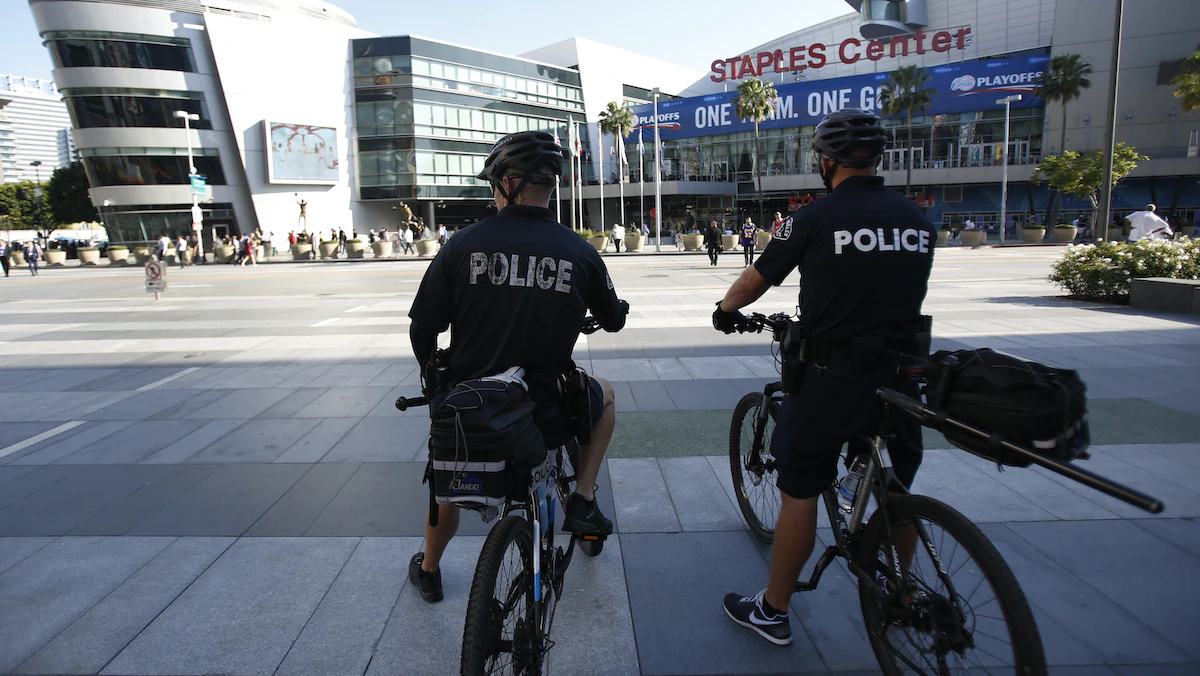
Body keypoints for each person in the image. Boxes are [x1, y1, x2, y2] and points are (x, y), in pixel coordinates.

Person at [712, 109, 933, 647]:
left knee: (800, 492)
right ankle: (902, 593)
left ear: (826, 162)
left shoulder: (814, 217)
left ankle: (773, 610)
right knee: (894, 490)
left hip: (830, 380)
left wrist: (725, 309)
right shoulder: (917, 218)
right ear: (878, 158)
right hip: (901, 378)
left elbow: (757, 278)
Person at [406, 130, 628, 602]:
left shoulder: (463, 244)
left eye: (494, 184)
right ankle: (583, 496)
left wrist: (434, 378)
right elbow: (613, 319)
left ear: (508, 183)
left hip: (471, 413)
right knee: (606, 395)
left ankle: (429, 569)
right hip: (546, 411)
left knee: (444, 484)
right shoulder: (580, 251)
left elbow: (422, 328)